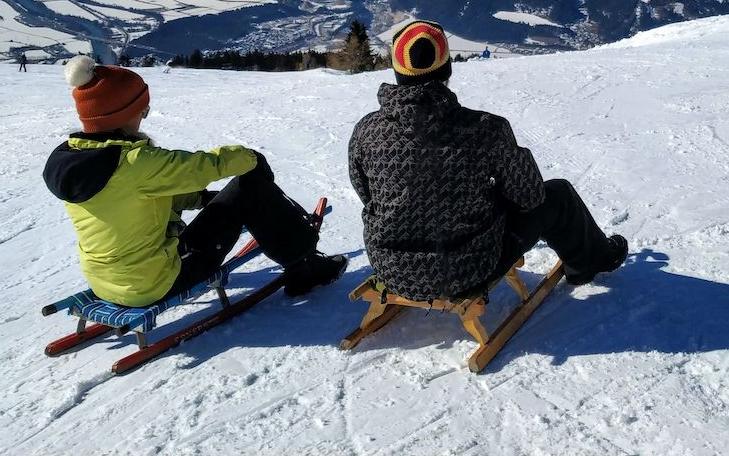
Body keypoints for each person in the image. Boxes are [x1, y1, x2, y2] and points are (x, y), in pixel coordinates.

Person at [348, 19, 626, 301]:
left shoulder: (367, 131)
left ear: (398, 73)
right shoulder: (485, 129)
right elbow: (531, 196)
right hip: (467, 270)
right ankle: (589, 263)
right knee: (559, 195)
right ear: (446, 69)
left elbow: (367, 193)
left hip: (392, 270)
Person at [43, 55, 345, 308]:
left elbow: (134, 199)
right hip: (157, 282)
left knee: (239, 193)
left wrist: (201, 199)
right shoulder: (137, 163)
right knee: (249, 183)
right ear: (123, 114)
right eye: (142, 110)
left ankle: (283, 236)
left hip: (106, 282)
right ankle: (304, 266)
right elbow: (205, 165)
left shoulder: (75, 160)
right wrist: (251, 158)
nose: (143, 117)